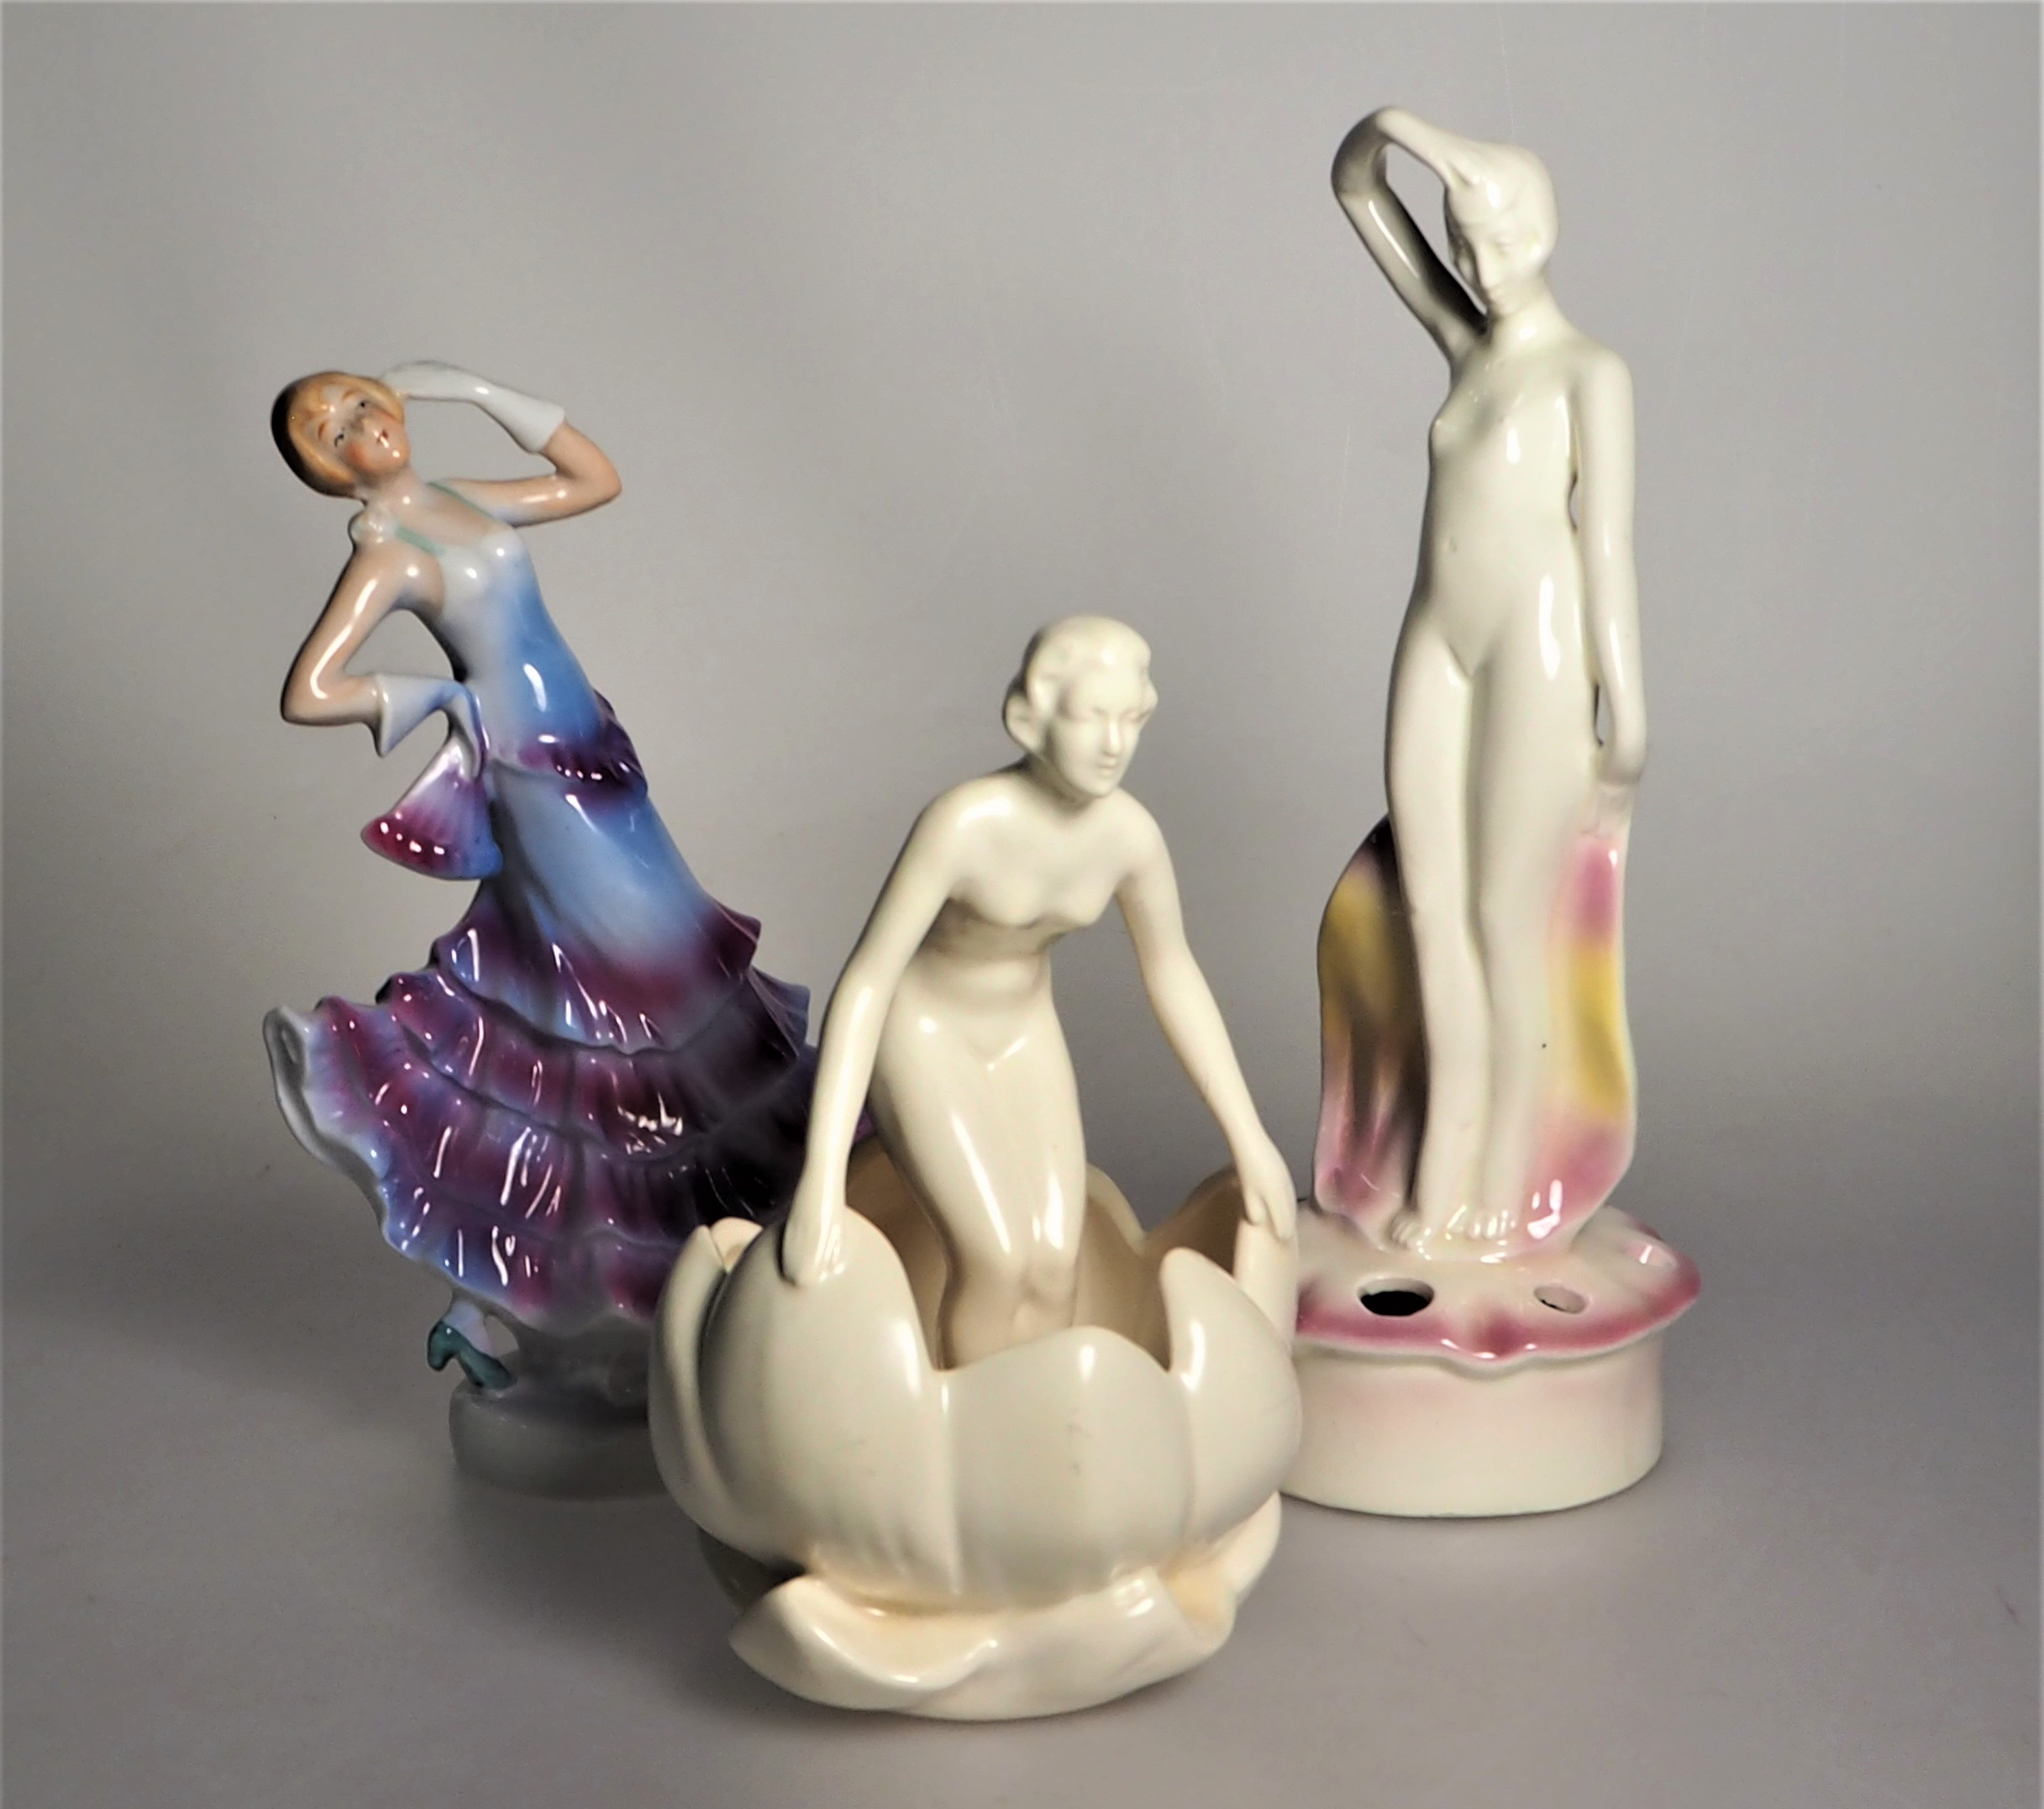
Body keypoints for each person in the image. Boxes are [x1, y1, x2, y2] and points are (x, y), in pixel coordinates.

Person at [264, 362, 812, 1392]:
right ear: (326, 470)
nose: (359, 427)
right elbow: (310, 691)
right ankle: (625, 1273)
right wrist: (435, 698)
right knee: (622, 1001)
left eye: (363, 403)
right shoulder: (388, 550)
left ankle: (546, 1292)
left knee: (650, 983)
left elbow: (593, 481)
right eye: (330, 432)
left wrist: (477, 391)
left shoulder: (458, 499)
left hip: (590, 744)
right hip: (532, 774)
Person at [778, 616, 1296, 1365]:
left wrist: (1250, 1140)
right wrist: (821, 1180)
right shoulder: (964, 824)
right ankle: (974, 1422)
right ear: (1030, 720)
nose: (1114, 744)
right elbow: (869, 980)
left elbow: (1173, 972)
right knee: (997, 1260)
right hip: (924, 1031)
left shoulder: (1130, 838)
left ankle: (1045, 1424)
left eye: (1131, 720)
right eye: (1092, 718)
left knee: (1055, 1259)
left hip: (1023, 1031)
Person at [1331, 109, 1647, 1251]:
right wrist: (1403, 130)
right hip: (1437, 639)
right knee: (1429, 912)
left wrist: (1629, 725)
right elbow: (1356, 188)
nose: (1482, 267)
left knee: (1506, 924)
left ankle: (1503, 1186)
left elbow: (1607, 546)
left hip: (1537, 647)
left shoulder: (1588, 374)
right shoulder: (1467, 347)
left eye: (1505, 243)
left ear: (1547, 234)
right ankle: (1438, 1174)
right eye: (1466, 246)